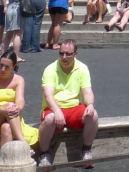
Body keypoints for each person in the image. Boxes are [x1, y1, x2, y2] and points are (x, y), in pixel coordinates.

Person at [38, 40, 98, 168]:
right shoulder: (50, 69)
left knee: (93, 115)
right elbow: (48, 95)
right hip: (53, 107)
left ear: (75, 54)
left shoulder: (82, 68)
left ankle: (86, 150)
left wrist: (91, 105)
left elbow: (87, 92)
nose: (64, 57)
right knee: (50, 119)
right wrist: (57, 111)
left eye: (68, 54)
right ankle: (43, 154)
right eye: (61, 53)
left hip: (74, 108)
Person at [0, 49, 39, 150]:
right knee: (10, 105)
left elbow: (20, 100)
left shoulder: (18, 79)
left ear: (14, 67)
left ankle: (6, 161)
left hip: (11, 116)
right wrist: (4, 110)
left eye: (7, 67)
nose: (2, 69)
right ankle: (24, 143)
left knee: (6, 128)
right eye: (1, 65)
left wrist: (18, 108)